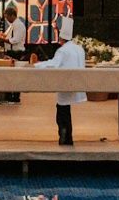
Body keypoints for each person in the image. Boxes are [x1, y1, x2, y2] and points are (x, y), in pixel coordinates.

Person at [36, 16, 85, 146]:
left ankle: (65, 136)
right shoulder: (79, 49)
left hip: (65, 83)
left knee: (62, 109)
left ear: (61, 37)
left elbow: (53, 65)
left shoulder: (63, 50)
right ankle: (68, 136)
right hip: (77, 82)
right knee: (66, 109)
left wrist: (38, 65)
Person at [2, 4, 27, 103]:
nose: (7, 19)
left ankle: (15, 97)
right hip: (12, 52)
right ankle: (10, 96)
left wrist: (3, 40)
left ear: (12, 15)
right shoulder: (13, 25)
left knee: (15, 75)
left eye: (7, 17)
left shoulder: (19, 25)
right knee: (10, 75)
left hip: (17, 53)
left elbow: (15, 40)